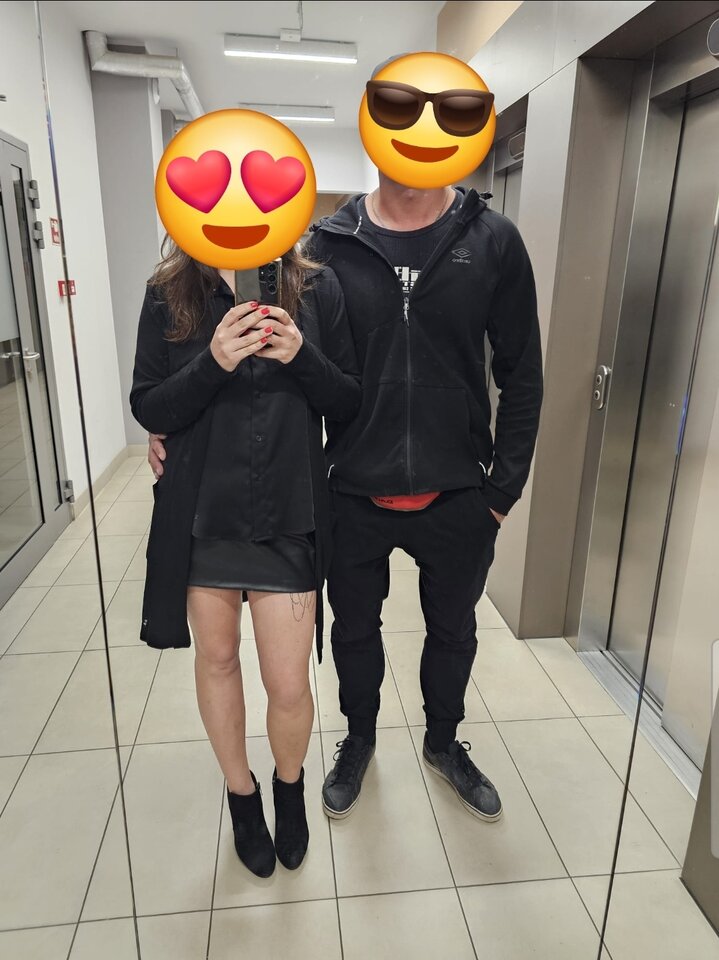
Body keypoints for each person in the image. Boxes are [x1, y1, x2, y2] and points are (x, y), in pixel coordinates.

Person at [148, 174, 543, 824]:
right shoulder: (325, 248)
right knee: (354, 632)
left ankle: (444, 742)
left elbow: (521, 372)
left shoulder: (491, 240)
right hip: (351, 489)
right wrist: (173, 424)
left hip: (459, 491)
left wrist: (501, 491)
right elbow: (229, 387)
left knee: (454, 632)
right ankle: (358, 740)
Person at [131, 238, 360, 878]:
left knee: (288, 682)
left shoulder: (315, 288)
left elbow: (348, 399)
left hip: (289, 511)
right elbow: (148, 404)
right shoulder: (169, 292)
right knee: (219, 660)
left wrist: (300, 355)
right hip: (204, 515)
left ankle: (289, 788)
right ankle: (242, 796)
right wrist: (213, 361)